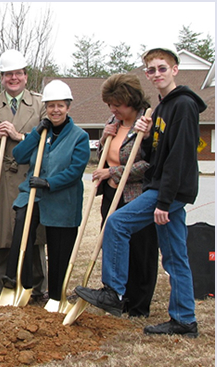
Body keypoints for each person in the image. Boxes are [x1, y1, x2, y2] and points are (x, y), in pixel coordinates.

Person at [75, 47, 206, 338]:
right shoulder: (161, 108)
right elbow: (153, 154)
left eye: (162, 68)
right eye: (151, 69)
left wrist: (165, 201)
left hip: (167, 191)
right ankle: (184, 320)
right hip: (166, 190)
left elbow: (180, 156)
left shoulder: (182, 105)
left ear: (175, 69)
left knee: (117, 223)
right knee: (175, 258)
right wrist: (147, 136)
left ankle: (113, 291)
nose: (156, 74)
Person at [0, 80, 90, 306]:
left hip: (61, 199)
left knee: (59, 246)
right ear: (46, 109)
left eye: (60, 105)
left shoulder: (79, 137)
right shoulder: (41, 133)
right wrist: (34, 134)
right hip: (33, 194)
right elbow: (19, 156)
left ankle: (57, 296)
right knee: (22, 222)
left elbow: (75, 171)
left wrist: (48, 183)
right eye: (51, 106)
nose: (55, 110)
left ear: (68, 107)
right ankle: (20, 281)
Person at [0, 49, 48, 303]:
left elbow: (49, 141)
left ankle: (38, 287)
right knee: (4, 233)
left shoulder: (41, 106)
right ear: (2, 77)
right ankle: (3, 285)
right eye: (8, 74)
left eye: (18, 73)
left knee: (34, 232)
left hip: (32, 176)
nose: (13, 78)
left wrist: (21, 137)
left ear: (26, 76)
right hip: (3, 178)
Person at [93, 74, 158, 317]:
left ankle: (138, 304)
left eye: (117, 105)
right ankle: (116, 296)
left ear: (131, 101)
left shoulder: (147, 123)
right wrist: (104, 137)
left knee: (140, 249)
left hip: (135, 194)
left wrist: (114, 171)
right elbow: (105, 152)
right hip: (111, 192)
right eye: (110, 104)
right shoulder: (114, 121)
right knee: (113, 245)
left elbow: (149, 164)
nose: (113, 109)